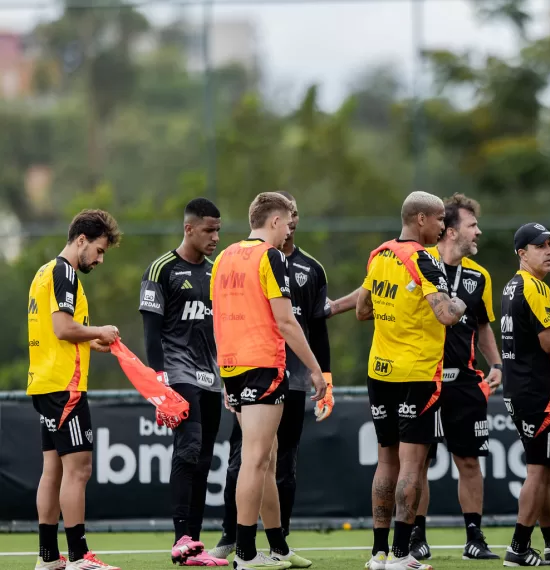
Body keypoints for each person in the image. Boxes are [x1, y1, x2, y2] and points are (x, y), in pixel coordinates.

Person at [212, 192, 331, 568]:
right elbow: (285, 320)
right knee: (257, 458)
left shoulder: (224, 256)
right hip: (263, 363)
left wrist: (224, 374)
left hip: (233, 365)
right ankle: (246, 553)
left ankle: (277, 547)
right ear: (275, 221)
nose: (289, 231)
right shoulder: (271, 256)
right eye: (287, 223)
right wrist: (315, 368)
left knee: (266, 455)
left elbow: (215, 319)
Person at [355, 191, 466, 570]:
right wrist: (460, 302)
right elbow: (447, 315)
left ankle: (378, 553)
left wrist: (395, 316)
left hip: (379, 371)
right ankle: (403, 556)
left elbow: (362, 309)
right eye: (439, 221)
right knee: (412, 465)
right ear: (421, 219)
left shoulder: (380, 254)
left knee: (386, 461)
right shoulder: (426, 260)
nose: (442, 228)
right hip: (416, 373)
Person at [29, 210, 122, 570]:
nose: (99, 260)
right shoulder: (65, 271)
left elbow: (64, 334)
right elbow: (63, 328)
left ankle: (49, 557)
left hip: (45, 382)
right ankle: (81, 556)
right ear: (81, 240)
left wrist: (91, 343)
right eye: (98, 251)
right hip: (64, 386)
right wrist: (98, 330)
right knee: (79, 469)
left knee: (52, 470)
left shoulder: (44, 271)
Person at [412, 193, 502, 562]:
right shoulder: (419, 265)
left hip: (464, 382)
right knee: (417, 463)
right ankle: (415, 535)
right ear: (449, 231)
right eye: (472, 226)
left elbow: (482, 327)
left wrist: (496, 364)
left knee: (469, 462)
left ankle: (474, 537)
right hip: (421, 380)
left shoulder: (480, 277)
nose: (478, 232)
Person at [139, 199, 228, 567]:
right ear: (189, 228)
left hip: (211, 378)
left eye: (218, 230)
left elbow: (221, 329)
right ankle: (180, 538)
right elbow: (150, 331)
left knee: (205, 460)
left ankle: (193, 545)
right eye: (209, 230)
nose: (216, 237)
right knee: (188, 449)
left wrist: (227, 379)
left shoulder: (216, 272)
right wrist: (160, 385)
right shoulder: (161, 269)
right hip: (178, 375)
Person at [501, 222, 550, 567]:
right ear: (522, 253)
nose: (549, 251)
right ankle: (518, 548)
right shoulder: (532, 287)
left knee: (542, 468)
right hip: (536, 392)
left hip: (519, 388)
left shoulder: (511, 285)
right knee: (537, 469)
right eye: (540, 246)